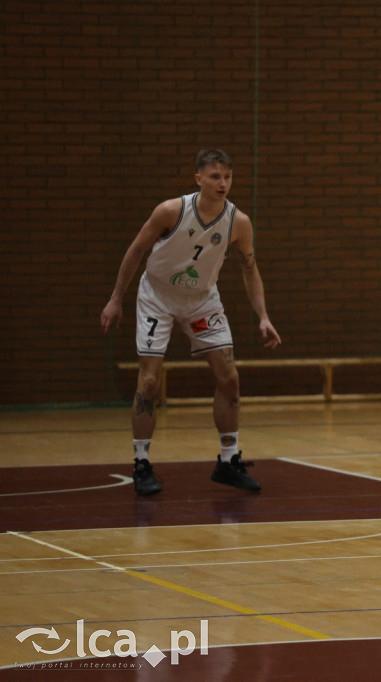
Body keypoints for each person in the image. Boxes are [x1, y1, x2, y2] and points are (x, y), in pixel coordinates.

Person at [100, 149, 281, 496]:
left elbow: (249, 269)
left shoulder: (238, 222)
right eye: (215, 176)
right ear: (199, 179)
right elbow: (136, 250)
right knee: (149, 382)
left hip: (201, 300)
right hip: (158, 296)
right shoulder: (171, 210)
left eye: (228, 176)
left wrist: (263, 316)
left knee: (229, 377)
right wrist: (115, 298)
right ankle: (141, 462)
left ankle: (228, 461)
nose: (222, 183)